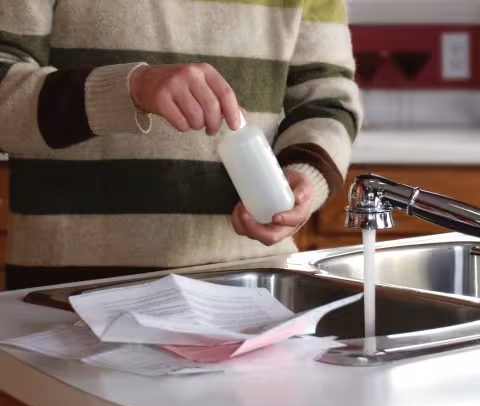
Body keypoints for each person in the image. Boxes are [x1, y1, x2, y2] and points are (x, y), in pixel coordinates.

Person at [0, 0, 362, 290]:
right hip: (68, 289)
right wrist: (129, 89)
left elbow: (328, 100)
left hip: (249, 289)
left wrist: (304, 179)